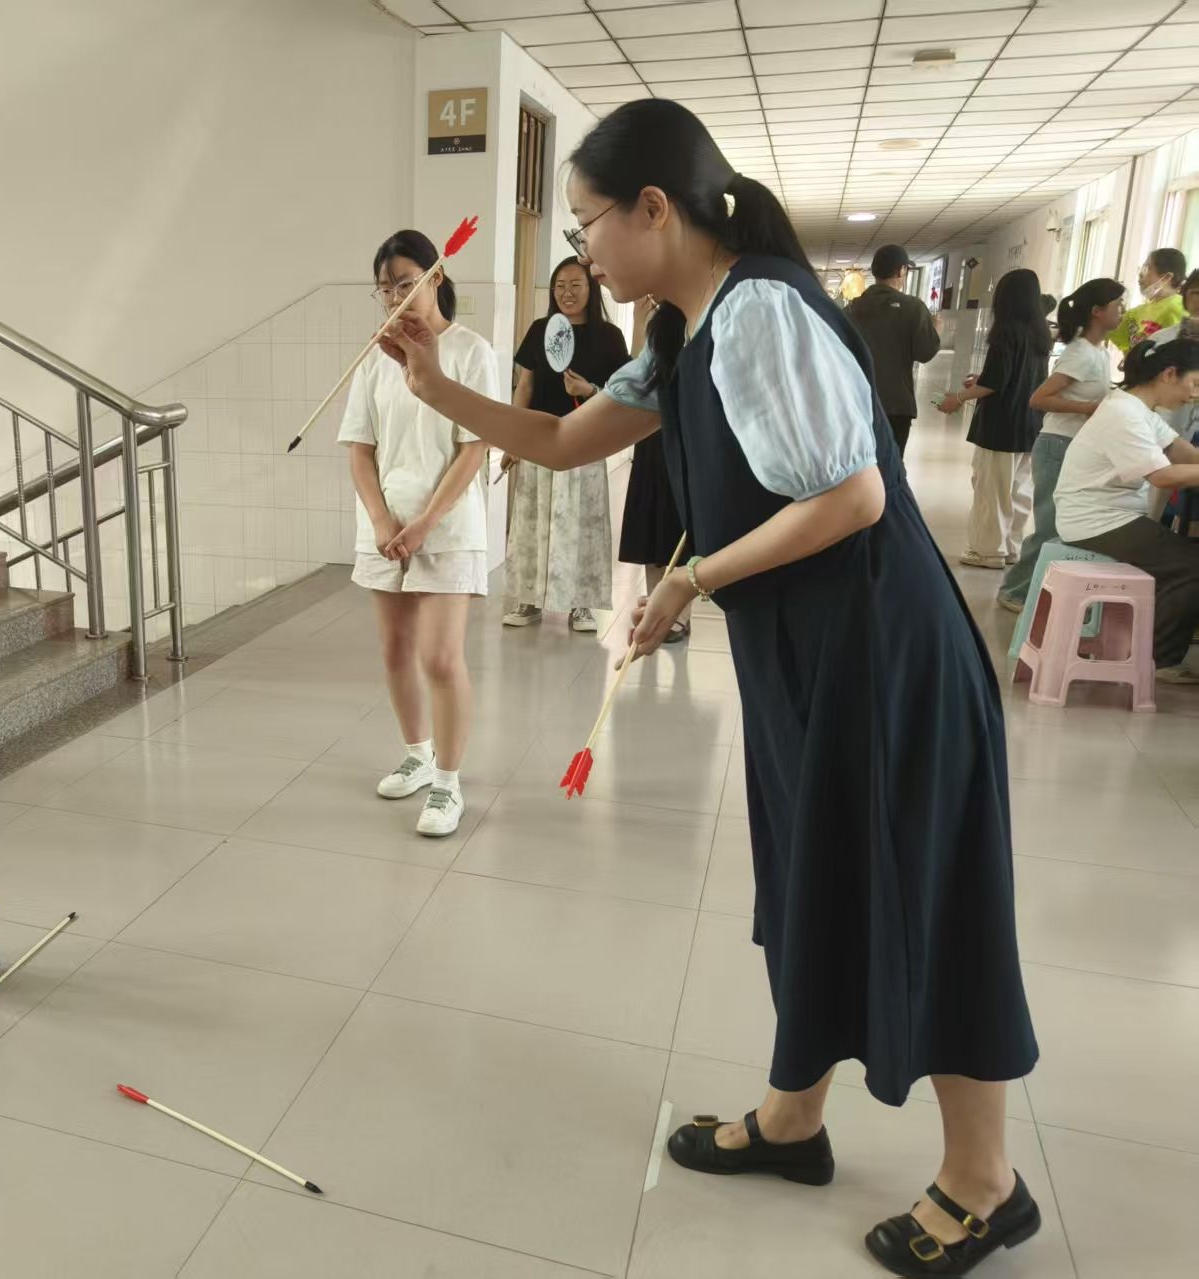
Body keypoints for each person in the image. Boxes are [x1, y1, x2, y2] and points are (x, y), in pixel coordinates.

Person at [376, 98, 1039, 1278]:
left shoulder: (761, 310)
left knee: (919, 891)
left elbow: (851, 498)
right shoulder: (683, 331)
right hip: (804, 651)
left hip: (880, 649)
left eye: (585, 224)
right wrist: (433, 387)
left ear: (652, 208)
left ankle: (984, 1180)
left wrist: (689, 579)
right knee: (809, 877)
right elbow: (563, 441)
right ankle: (793, 1118)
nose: (581, 251)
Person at [339, 231, 495, 838]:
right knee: (396, 652)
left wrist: (427, 521)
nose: (394, 297)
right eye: (384, 288)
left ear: (436, 278)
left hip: (447, 527)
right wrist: (383, 521)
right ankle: (418, 754)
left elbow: (473, 447)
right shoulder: (374, 357)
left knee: (440, 656)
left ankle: (448, 783)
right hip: (385, 529)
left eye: (405, 283)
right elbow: (359, 449)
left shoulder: (470, 352)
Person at [1055, 336, 1199, 683]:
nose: (1194, 394)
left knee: (1185, 558)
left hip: (1110, 516)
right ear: (1169, 374)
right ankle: (1156, 659)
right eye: (1194, 383)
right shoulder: (1124, 414)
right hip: (1095, 520)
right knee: (1192, 566)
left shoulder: (1137, 409)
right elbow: (1162, 476)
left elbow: (1180, 452)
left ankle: (1152, 644)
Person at [502, 256, 625, 633]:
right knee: (533, 520)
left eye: (575, 285)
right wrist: (512, 439)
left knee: (582, 523)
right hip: (539, 438)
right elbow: (525, 386)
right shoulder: (540, 330)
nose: (566, 293)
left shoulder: (609, 337)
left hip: (585, 442)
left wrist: (588, 390)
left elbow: (621, 395)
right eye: (559, 286)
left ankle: (582, 603)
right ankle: (528, 599)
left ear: (592, 289)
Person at [997, 278, 1126, 612]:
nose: (1122, 311)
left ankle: (1041, 590)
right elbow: (1039, 399)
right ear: (1097, 311)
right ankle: (1014, 591)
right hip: (1057, 446)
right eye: (1118, 305)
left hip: (1074, 447)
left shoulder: (1099, 352)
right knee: (1050, 527)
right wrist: (1089, 408)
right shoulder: (1080, 353)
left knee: (1062, 526)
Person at [939, 269, 1047, 569]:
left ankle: (987, 551)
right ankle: (1011, 547)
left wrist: (958, 398)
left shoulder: (1005, 333)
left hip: (1002, 425)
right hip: (1030, 423)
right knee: (1019, 491)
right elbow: (1015, 376)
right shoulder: (1039, 335)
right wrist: (982, 378)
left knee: (992, 490)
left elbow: (996, 383)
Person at [616, 291, 693, 643]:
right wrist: (639, 323)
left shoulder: (701, 319)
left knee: (679, 524)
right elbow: (635, 375)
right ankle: (653, 608)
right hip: (650, 437)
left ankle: (681, 616)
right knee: (651, 524)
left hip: (687, 438)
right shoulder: (655, 320)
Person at [847, 244, 941, 456]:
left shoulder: (852, 308)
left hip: (858, 400)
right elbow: (925, 352)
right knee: (893, 463)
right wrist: (935, 330)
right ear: (901, 271)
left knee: (862, 462)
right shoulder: (913, 307)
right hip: (897, 404)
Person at [1109, 247, 1186, 352]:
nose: (1140, 275)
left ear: (1167, 277)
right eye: (1141, 269)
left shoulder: (1179, 308)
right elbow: (1108, 329)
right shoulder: (1136, 312)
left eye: (1146, 269)